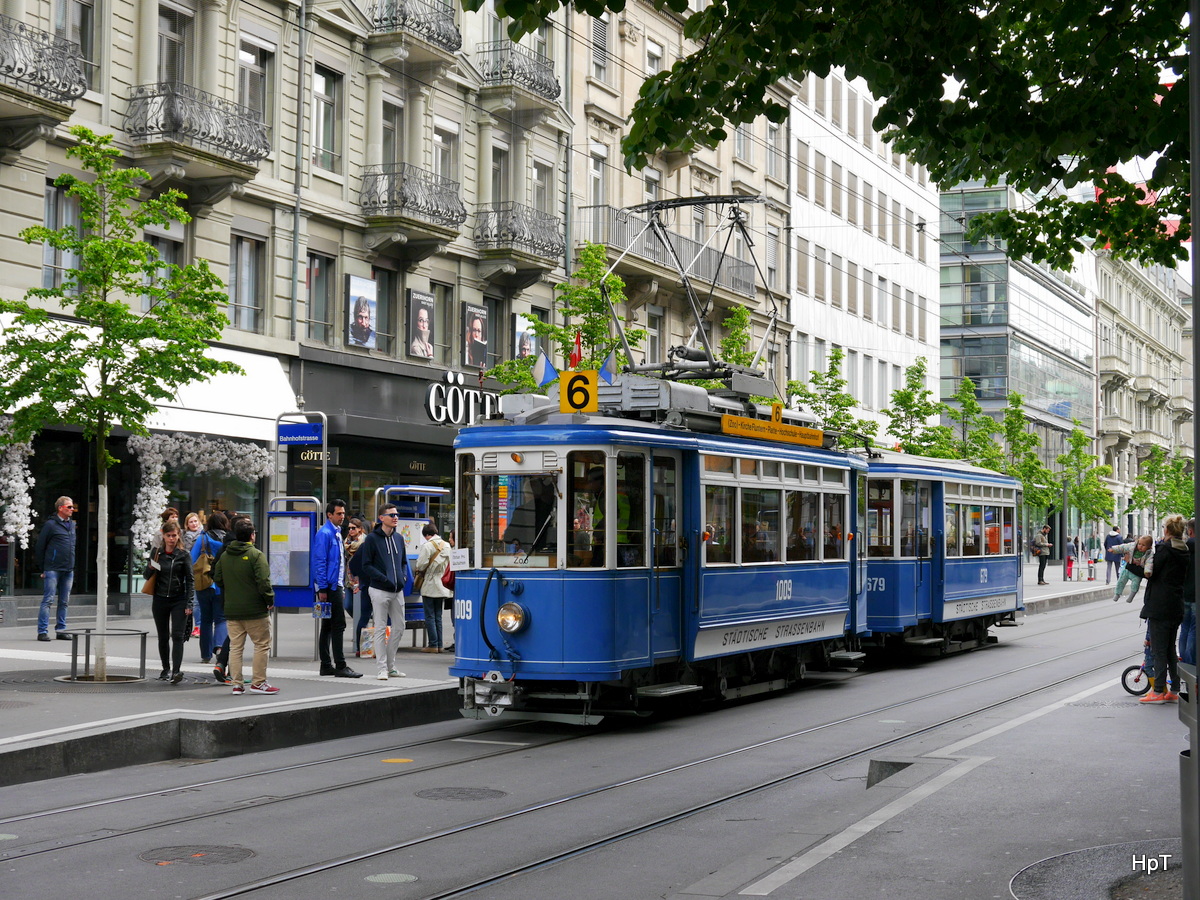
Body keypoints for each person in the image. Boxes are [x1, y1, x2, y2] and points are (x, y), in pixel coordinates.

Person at [214, 517, 278, 695]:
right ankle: (258, 682)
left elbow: (217, 577)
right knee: (262, 644)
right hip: (255, 609)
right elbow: (264, 582)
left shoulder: (226, 555)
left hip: (232, 609)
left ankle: (237, 684)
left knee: (235, 647)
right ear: (252, 536)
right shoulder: (256, 555)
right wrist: (269, 600)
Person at [1138, 515, 1189, 704]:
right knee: (1169, 649)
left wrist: (1133, 563)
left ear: (1166, 530)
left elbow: (1151, 573)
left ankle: (1158, 690)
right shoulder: (1183, 549)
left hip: (1160, 605)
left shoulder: (1164, 550)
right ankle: (1174, 689)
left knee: (1158, 650)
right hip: (1176, 604)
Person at [357, 502, 409, 680]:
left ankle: (390, 665)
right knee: (379, 628)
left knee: (400, 626)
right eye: (391, 515)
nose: (396, 517)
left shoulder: (399, 538)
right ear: (381, 518)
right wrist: (384, 579)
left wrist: (403, 576)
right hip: (379, 590)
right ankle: (381, 668)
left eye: (397, 514)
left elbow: (403, 561)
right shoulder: (372, 539)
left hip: (397, 589)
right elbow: (366, 565)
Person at [312, 499, 361, 678]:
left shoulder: (336, 532)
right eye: (339, 514)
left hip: (333, 585)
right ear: (329, 515)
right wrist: (323, 588)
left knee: (327, 625)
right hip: (331, 586)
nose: (342, 517)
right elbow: (320, 562)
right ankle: (340, 665)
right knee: (338, 624)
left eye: (343, 513)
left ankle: (326, 665)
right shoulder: (325, 533)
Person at [145, 521, 194, 684]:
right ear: (163, 536)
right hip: (160, 598)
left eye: (174, 535)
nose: (171, 539)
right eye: (168, 536)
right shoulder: (157, 553)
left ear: (178, 535)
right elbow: (146, 576)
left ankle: (176, 671)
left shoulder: (183, 554)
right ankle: (165, 668)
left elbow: (190, 580)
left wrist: (189, 603)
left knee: (178, 636)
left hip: (178, 599)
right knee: (163, 636)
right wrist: (151, 568)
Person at [33, 496, 76, 641]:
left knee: (64, 601)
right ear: (60, 508)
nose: (72, 510)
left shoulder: (72, 525)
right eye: (69, 507)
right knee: (48, 600)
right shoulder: (50, 525)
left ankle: (61, 629)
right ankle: (42, 631)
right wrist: (42, 568)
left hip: (68, 569)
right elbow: (40, 547)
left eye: (72, 507)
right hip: (52, 568)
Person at [192, 511, 229, 671]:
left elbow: (192, 559)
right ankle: (220, 647)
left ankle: (205, 655)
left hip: (204, 584)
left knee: (206, 619)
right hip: (222, 585)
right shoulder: (228, 540)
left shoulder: (202, 539)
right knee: (221, 618)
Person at [414, 523, 452, 653]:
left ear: (427, 535)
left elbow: (421, 564)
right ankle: (439, 644)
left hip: (430, 584)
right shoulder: (447, 545)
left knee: (429, 616)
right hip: (442, 584)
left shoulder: (427, 545)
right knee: (438, 616)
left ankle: (433, 644)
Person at [344, 517, 374, 657]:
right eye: (349, 528)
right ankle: (361, 644)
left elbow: (357, 564)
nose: (351, 531)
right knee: (349, 605)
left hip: (361, 582)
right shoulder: (347, 543)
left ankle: (364, 645)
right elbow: (351, 563)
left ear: (360, 529)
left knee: (365, 615)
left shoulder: (365, 542)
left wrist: (360, 580)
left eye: (353, 528)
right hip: (350, 581)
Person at [1111, 535, 1154, 604]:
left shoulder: (1149, 554)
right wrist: (1114, 549)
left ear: (1149, 547)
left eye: (1143, 545)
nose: (1140, 546)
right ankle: (1117, 594)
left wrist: (1147, 571)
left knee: (1136, 583)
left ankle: (1131, 595)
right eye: (1139, 544)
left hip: (1137, 571)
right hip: (1127, 569)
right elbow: (1123, 547)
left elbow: (1149, 563)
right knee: (1121, 580)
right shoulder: (1132, 546)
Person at [1180, 518, 1196, 666]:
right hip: (1196, 596)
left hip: (1184, 594)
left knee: (1185, 628)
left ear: (1189, 531)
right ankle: (1192, 664)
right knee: (1194, 629)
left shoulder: (1183, 548)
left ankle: (1184, 662)